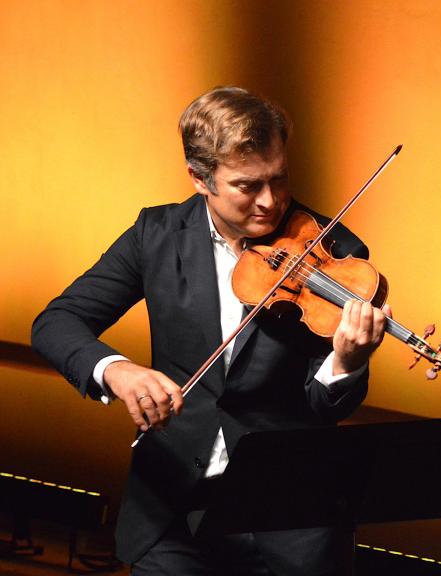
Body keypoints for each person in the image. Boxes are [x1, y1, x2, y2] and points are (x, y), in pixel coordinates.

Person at [31, 86, 390, 574]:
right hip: (172, 512)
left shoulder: (333, 249)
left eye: (279, 179)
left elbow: (324, 407)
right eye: (248, 185)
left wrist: (346, 363)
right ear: (200, 178)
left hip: (288, 524)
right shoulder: (155, 236)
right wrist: (117, 372)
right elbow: (57, 322)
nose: (271, 201)